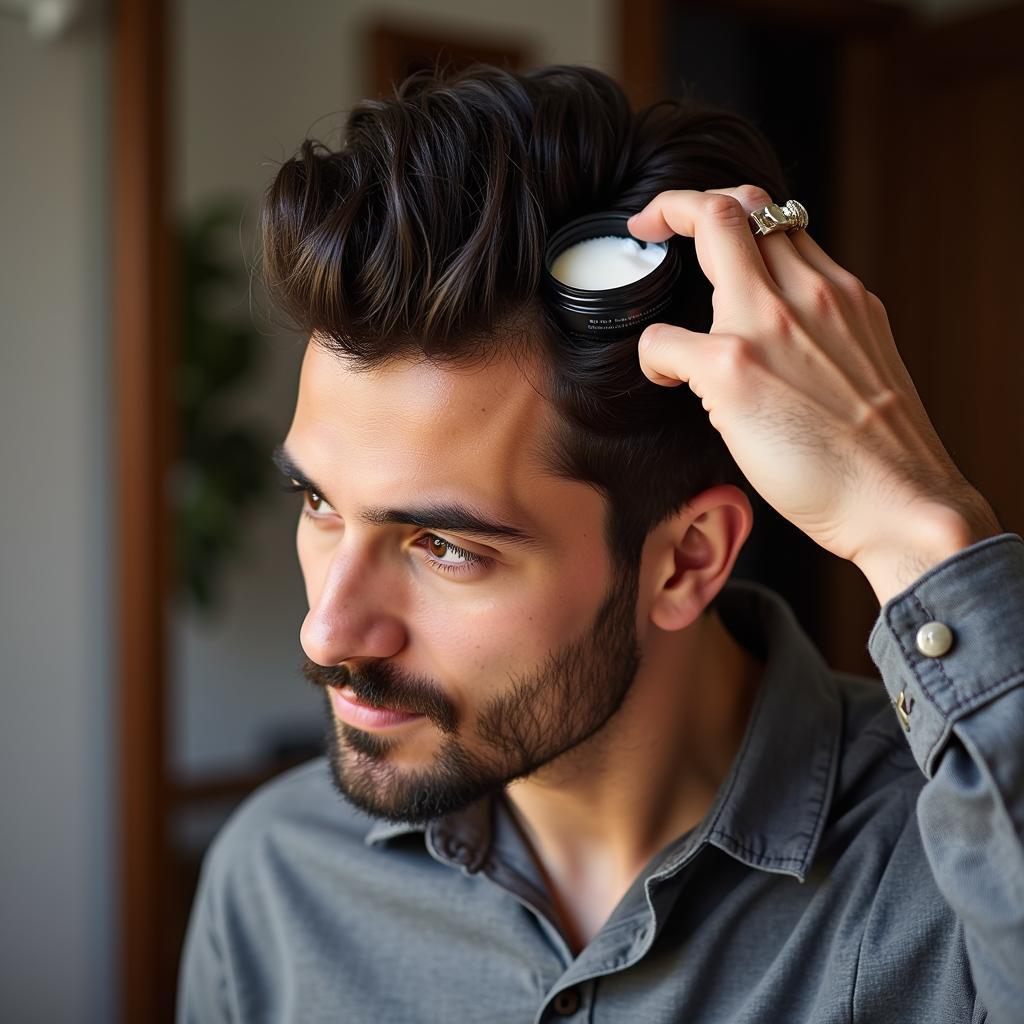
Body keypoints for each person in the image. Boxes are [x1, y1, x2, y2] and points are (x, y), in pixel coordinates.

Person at [177, 64, 1023, 1023]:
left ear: (688, 559)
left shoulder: (951, 880)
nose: (327, 633)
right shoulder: (277, 880)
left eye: (443, 546)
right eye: (319, 503)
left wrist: (915, 527)